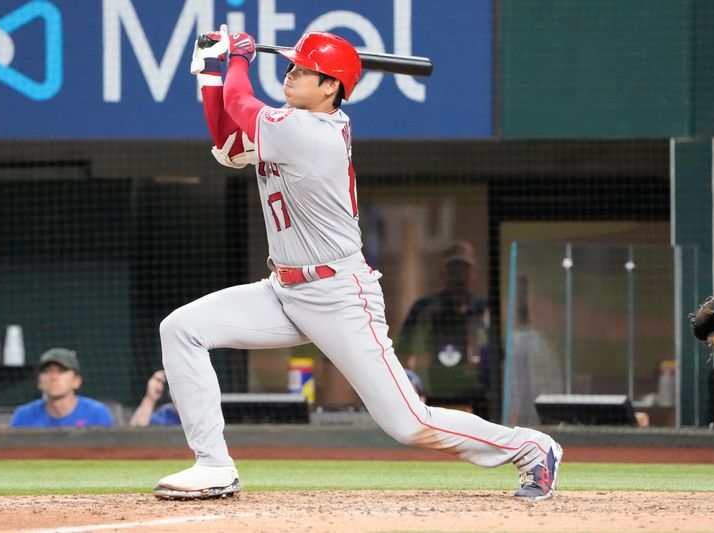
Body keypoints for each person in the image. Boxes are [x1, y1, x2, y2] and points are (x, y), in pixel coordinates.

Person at [153, 25, 562, 502]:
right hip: (282, 290)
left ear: (331, 88)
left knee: (409, 423)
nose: (290, 74)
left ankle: (531, 447)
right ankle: (213, 465)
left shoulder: (312, 133)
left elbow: (244, 106)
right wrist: (210, 75)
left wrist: (238, 60)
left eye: (304, 70)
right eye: (291, 66)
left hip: (338, 295)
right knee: (181, 328)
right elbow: (227, 134)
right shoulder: (288, 125)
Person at [397, 240, 492, 418]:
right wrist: (414, 388)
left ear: (473, 274)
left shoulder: (484, 309)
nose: (459, 276)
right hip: (432, 399)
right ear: (442, 272)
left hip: (479, 400)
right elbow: (403, 352)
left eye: (464, 269)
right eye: (454, 269)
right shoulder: (424, 307)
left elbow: (500, 358)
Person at [9, 348, 114, 428]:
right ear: (39, 381)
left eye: (61, 371)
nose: (54, 377)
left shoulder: (97, 414)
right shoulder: (23, 416)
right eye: (47, 371)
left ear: (76, 381)